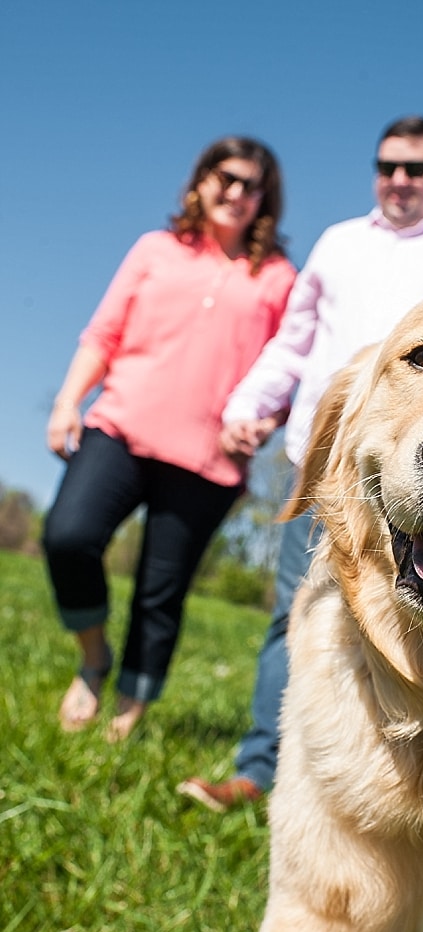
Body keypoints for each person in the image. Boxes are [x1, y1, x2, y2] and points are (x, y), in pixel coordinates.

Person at [178, 115, 423, 812]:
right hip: (325, 460)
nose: (400, 181)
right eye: (388, 166)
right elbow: (293, 342)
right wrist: (250, 403)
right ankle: (265, 771)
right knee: (295, 612)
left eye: (417, 169)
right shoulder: (338, 244)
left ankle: (422, 789)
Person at [42, 137, 296, 743]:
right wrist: (66, 402)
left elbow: (286, 369)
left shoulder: (278, 278)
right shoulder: (156, 250)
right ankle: (93, 655)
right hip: (121, 426)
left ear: (266, 199)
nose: (235, 194)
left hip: (209, 459)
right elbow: (103, 333)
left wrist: (267, 421)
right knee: (68, 536)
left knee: (161, 590)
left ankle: (129, 712)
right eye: (225, 178)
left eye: (250, 185)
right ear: (201, 181)